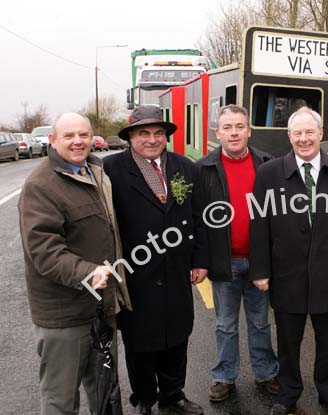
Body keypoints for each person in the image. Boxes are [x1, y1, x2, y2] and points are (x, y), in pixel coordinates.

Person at [249, 107, 328, 415]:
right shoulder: (269, 173)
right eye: (297, 133)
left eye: (309, 132)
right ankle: (287, 394)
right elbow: (259, 225)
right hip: (286, 274)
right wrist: (260, 269)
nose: (304, 139)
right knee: (289, 343)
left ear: (321, 135)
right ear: (289, 136)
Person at [19, 112, 131, 415]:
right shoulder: (41, 186)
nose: (78, 141)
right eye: (68, 136)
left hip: (101, 308)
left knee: (106, 391)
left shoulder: (95, 171)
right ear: (53, 141)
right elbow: (44, 252)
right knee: (61, 400)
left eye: (83, 134)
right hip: (64, 316)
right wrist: (88, 271)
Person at [103, 105, 204, 415]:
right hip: (136, 271)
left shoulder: (184, 167)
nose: (152, 139)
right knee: (140, 341)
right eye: (143, 133)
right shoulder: (110, 169)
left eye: (158, 133)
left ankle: (173, 395)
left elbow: (199, 217)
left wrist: (200, 260)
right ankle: (145, 398)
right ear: (131, 136)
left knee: (177, 335)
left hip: (176, 271)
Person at [194, 105, 279, 401]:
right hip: (223, 262)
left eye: (239, 126)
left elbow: (277, 216)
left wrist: (271, 260)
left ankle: (266, 373)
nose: (234, 133)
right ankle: (224, 376)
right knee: (225, 324)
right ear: (217, 133)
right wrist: (200, 260)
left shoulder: (267, 164)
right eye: (227, 127)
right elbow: (199, 220)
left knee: (259, 322)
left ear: (249, 130)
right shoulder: (204, 168)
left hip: (258, 262)